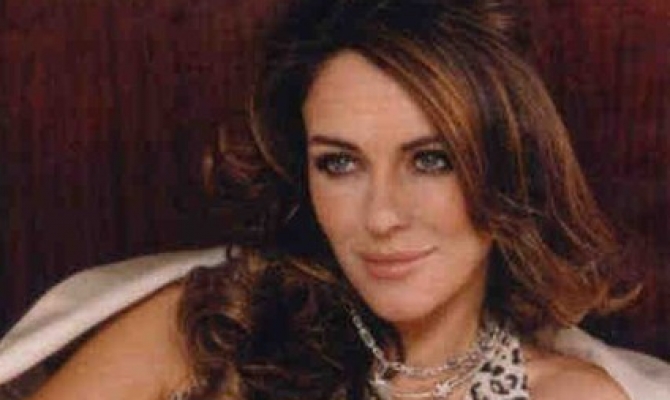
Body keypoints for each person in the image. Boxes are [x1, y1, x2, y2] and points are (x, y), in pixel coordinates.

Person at [0, 0, 668, 399]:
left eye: (430, 160)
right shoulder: (210, 327)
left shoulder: (575, 395)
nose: (381, 216)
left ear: (508, 167)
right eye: (340, 163)